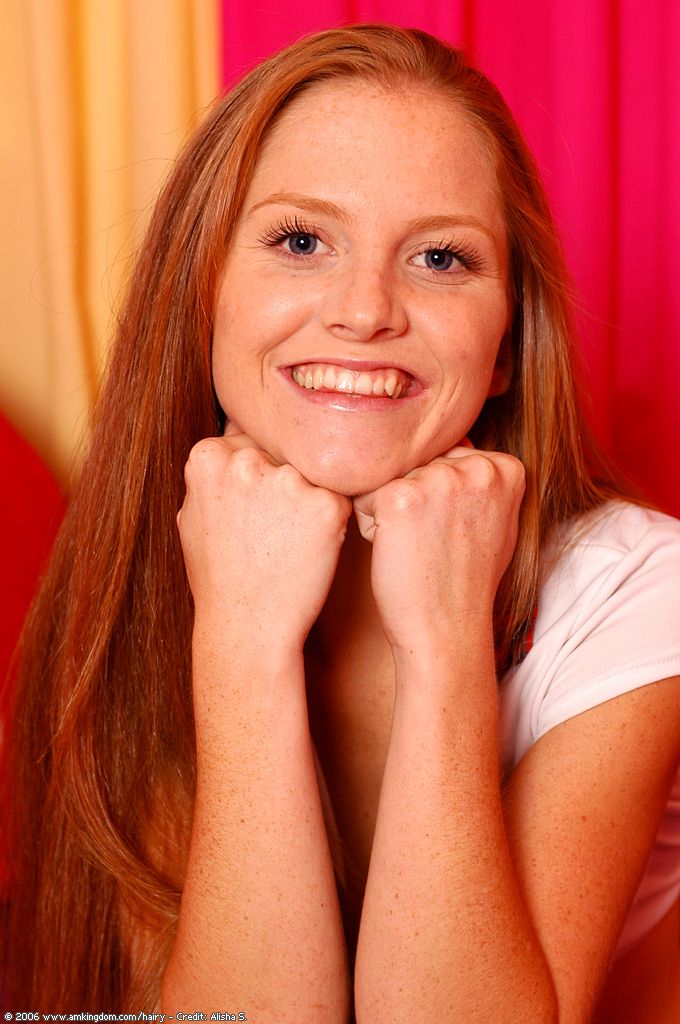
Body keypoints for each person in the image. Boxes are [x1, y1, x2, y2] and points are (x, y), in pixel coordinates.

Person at [2, 23, 680, 1022]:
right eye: (300, 242)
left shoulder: (637, 590)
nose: (365, 311)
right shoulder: (129, 575)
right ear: (203, 293)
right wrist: (242, 643)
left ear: (503, 346)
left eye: (440, 257)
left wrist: (444, 637)